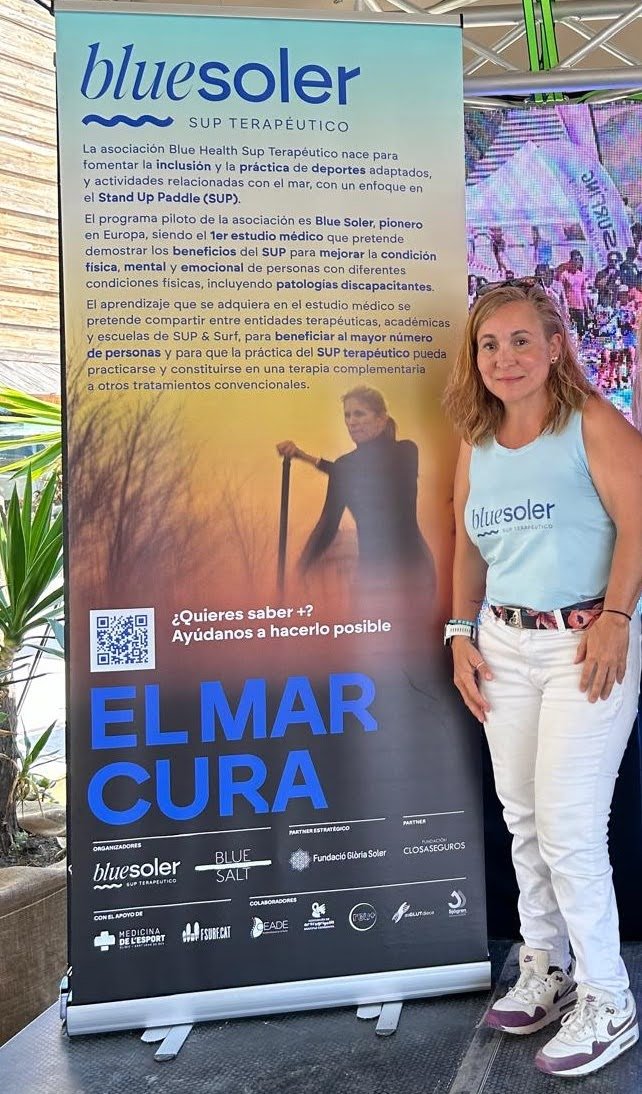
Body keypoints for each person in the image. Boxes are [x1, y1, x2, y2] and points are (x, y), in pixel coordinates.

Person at [442, 279, 642, 1079]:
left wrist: (618, 620)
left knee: (567, 826)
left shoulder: (591, 424)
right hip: (504, 645)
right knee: (523, 820)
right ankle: (548, 970)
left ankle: (609, 997)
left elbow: (639, 522)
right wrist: (460, 632)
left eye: (521, 340)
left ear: (556, 345)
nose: (505, 358)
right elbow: (466, 545)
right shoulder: (475, 437)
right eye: (490, 345)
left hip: (582, 645)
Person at [276, 386, 435, 581]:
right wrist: (298, 571)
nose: (352, 422)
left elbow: (375, 472)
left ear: (381, 418)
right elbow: (327, 525)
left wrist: (309, 458)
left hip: (413, 570)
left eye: (359, 414)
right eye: (347, 416)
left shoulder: (406, 451)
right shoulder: (344, 466)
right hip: (370, 575)